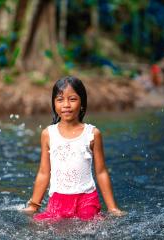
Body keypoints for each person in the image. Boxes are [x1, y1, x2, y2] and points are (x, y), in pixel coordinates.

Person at [22, 76, 126, 221]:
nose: (66, 105)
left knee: (91, 224)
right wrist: (34, 205)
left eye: (72, 99)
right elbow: (44, 172)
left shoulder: (92, 134)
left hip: (87, 199)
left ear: (82, 103)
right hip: (58, 200)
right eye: (60, 100)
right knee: (43, 224)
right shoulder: (48, 134)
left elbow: (101, 172)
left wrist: (112, 208)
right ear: (54, 104)